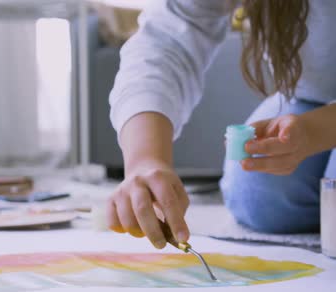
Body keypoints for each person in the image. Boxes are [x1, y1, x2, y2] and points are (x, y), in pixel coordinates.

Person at [107, 0, 336, 249]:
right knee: (257, 194)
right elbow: (167, 40)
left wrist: (315, 132)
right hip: (313, 95)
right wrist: (145, 159)